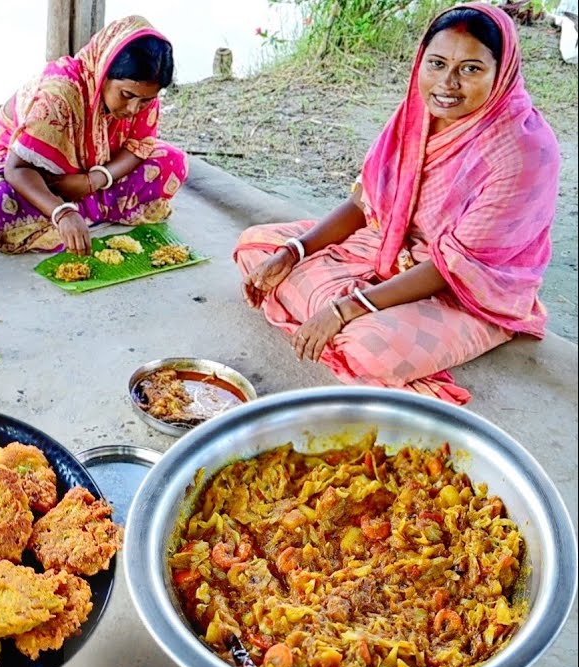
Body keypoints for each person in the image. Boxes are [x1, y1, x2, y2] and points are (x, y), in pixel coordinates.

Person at [235, 3, 559, 404]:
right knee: (258, 247)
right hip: (390, 242)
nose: (447, 83)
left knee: (363, 346)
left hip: (468, 286)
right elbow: (365, 202)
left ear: (503, 71)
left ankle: (345, 314)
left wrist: (344, 310)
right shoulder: (416, 114)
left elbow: (453, 266)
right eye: (436, 63)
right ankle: (333, 302)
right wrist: (293, 251)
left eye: (470, 69)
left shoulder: (523, 150)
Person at [0, 15, 189, 255]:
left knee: (173, 162)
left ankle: (74, 210)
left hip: (93, 173)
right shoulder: (60, 94)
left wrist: (96, 179)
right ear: (103, 71)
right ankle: (75, 211)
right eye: (126, 95)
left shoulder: (143, 98)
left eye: (145, 101)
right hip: (30, 169)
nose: (132, 110)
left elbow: (139, 146)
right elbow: (17, 169)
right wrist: (62, 212)